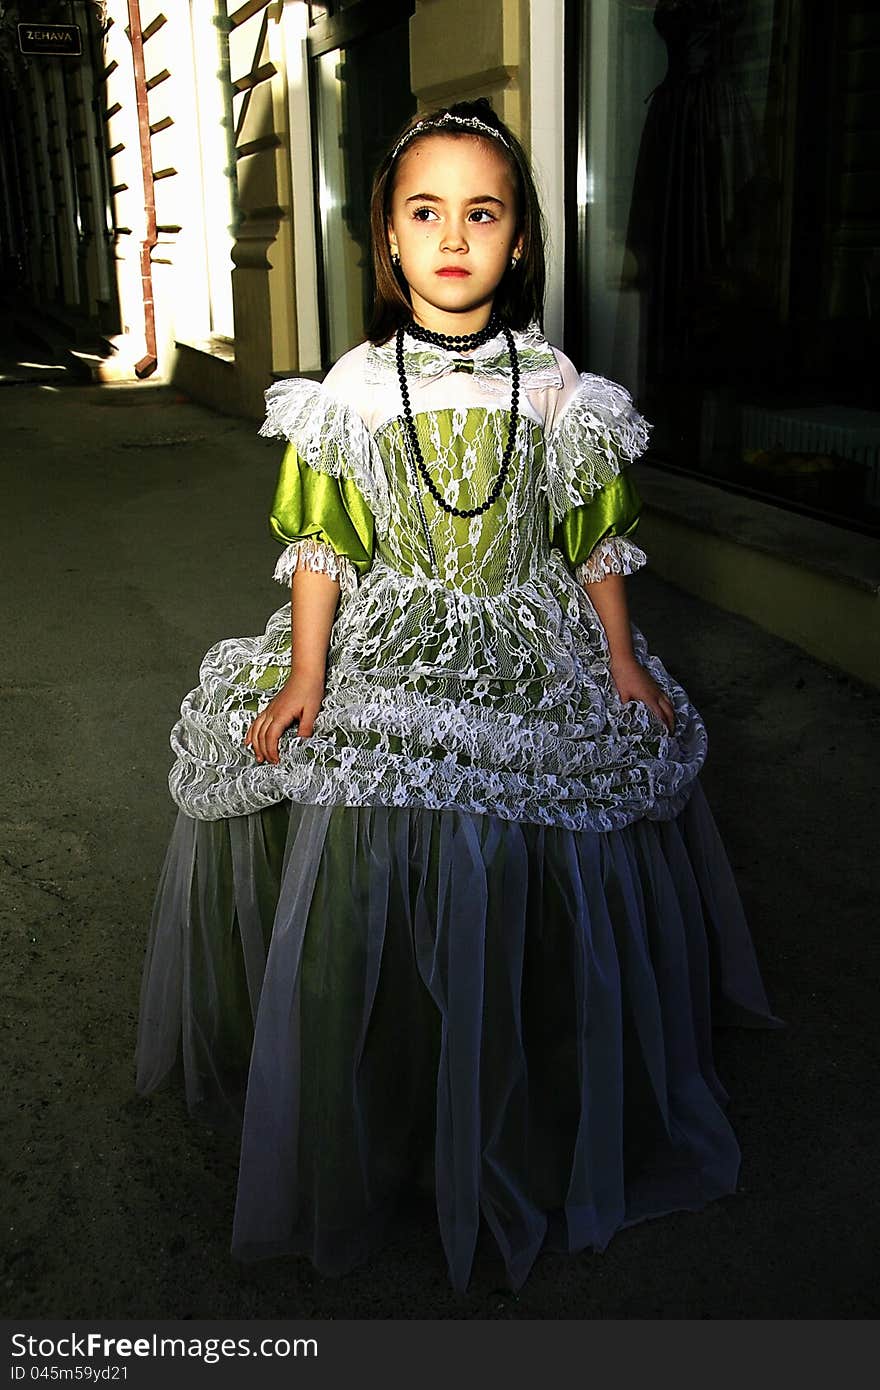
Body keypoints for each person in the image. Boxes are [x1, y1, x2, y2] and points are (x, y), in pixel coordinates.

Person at [135, 98, 780, 1294]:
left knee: (536, 851)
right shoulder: (353, 387)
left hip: (528, 632)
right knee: (382, 855)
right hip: (394, 630)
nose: (452, 237)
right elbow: (325, 549)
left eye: (480, 213)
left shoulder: (554, 383)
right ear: (386, 240)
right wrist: (305, 674)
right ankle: (382, 1082)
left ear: (520, 240)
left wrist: (623, 660)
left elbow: (590, 543)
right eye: (424, 212)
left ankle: (526, 1084)